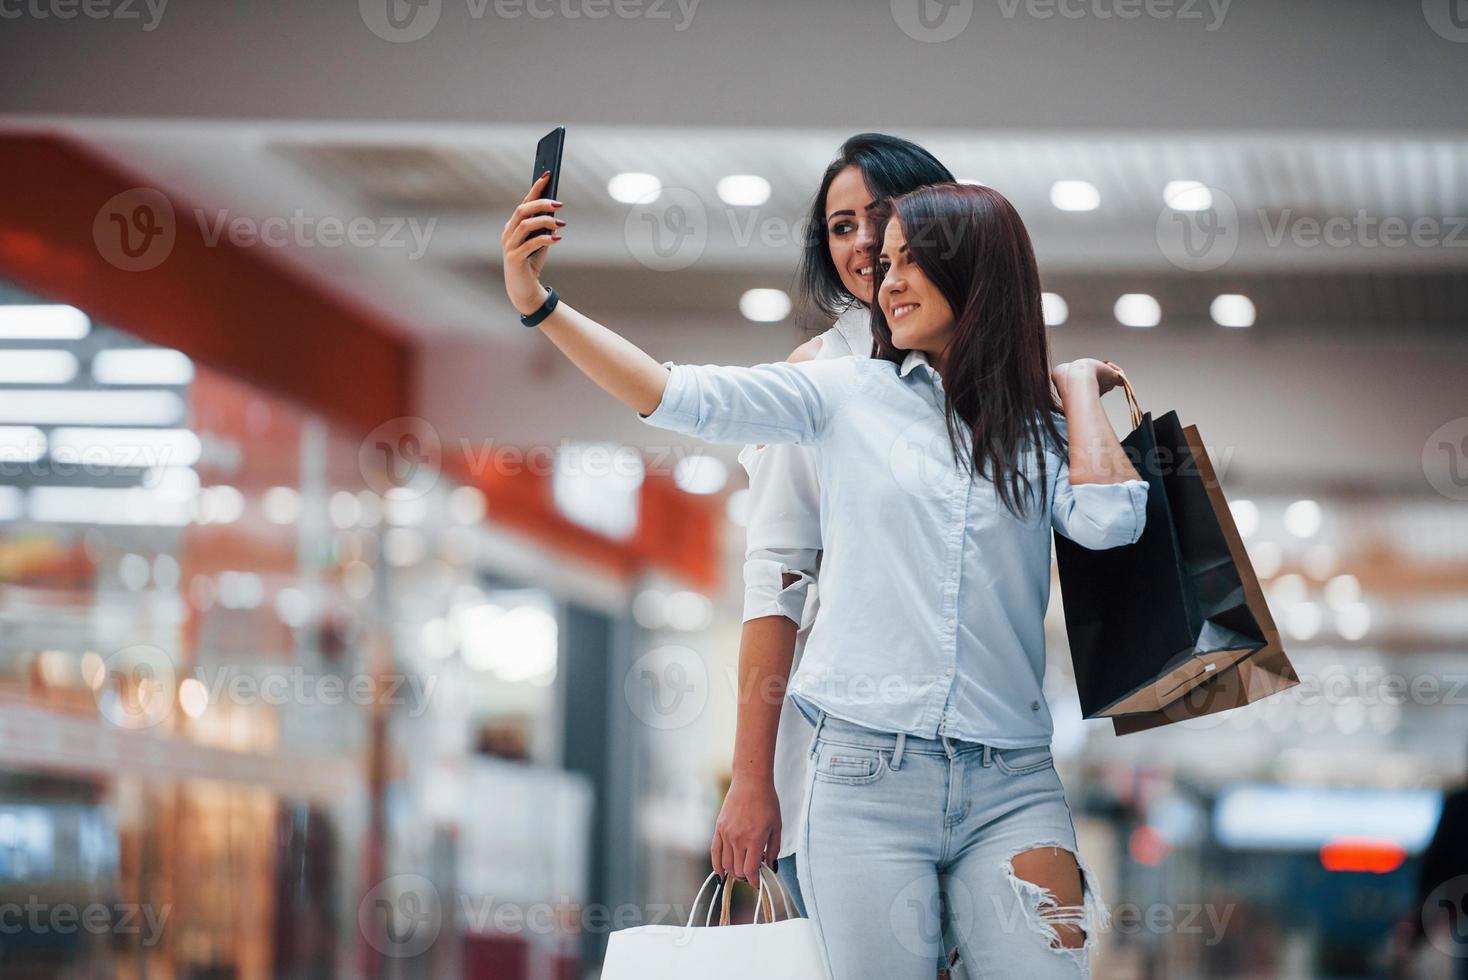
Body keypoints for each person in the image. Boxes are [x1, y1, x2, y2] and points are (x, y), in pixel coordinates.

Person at [502, 177, 1146, 978]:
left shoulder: (1035, 428)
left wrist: (1078, 388)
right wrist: (538, 301)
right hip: (865, 782)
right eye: (888, 261)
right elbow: (675, 394)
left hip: (1012, 784)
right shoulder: (842, 395)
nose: (889, 279)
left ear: (979, 274)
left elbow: (1112, 521)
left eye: (915, 262)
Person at [712, 134, 953, 921]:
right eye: (840, 226)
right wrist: (752, 780)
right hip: (843, 771)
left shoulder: (991, 378)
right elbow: (775, 583)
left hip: (984, 767)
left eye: (877, 219)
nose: (861, 245)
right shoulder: (813, 378)